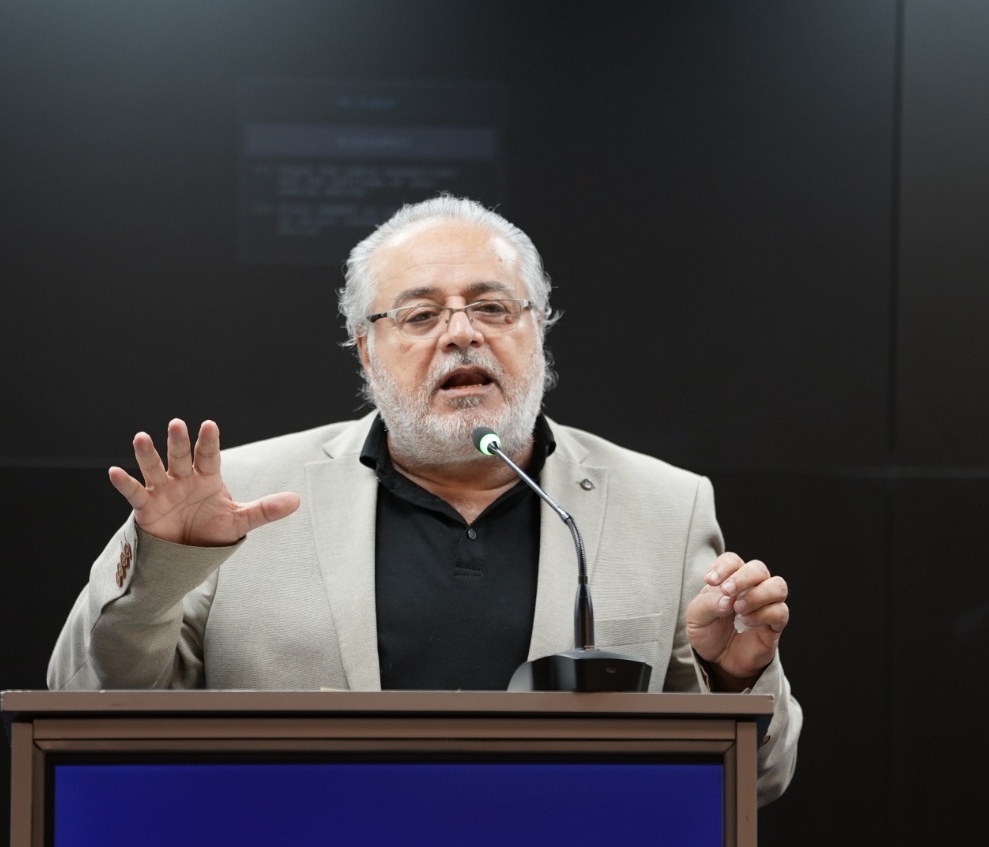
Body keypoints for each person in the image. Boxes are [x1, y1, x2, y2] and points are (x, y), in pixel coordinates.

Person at [49, 195, 802, 803]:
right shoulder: (240, 497)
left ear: (538, 330)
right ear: (364, 346)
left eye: (493, 308)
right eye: (419, 315)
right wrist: (161, 573)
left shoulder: (664, 506)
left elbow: (758, 782)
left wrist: (733, 681)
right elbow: (85, 709)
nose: (461, 335)